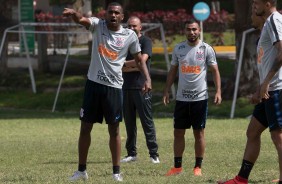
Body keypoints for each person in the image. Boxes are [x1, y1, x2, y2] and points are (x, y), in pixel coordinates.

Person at [62, 2, 152, 182]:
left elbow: (139, 60)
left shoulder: (129, 36)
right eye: (110, 12)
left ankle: (116, 172)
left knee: (114, 130)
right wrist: (73, 13)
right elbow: (81, 19)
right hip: (93, 85)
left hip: (114, 87)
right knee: (85, 127)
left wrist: (147, 79)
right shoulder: (98, 25)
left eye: (116, 13)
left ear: (122, 17)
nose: (113, 15)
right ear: (106, 14)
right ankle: (81, 171)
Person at [218, 0, 282, 183]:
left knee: (278, 136)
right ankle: (241, 179)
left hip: (275, 89)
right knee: (252, 132)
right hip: (267, 90)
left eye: (256, 3)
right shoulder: (268, 25)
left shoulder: (274, 20)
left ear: (268, 3)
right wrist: (258, 89)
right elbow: (269, 61)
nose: (253, 6)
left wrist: (267, 83)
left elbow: (281, 53)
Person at [163, 19, 222, 176]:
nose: (192, 32)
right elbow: (173, 71)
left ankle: (198, 167)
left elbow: (215, 71)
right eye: (189, 29)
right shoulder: (178, 48)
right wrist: (166, 90)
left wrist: (218, 92)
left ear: (199, 31)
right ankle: (177, 167)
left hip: (200, 99)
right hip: (182, 99)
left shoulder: (206, 49)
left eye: (194, 29)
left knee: (199, 133)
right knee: (178, 132)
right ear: (185, 31)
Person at [120, 16, 160, 164]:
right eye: (129, 26)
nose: (131, 28)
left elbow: (142, 61)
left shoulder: (145, 41)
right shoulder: (124, 42)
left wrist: (125, 64)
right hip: (125, 87)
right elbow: (120, 64)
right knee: (129, 123)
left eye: (134, 26)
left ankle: (154, 154)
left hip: (142, 87)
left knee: (146, 121)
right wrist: (133, 65)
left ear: (140, 27)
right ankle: (131, 153)